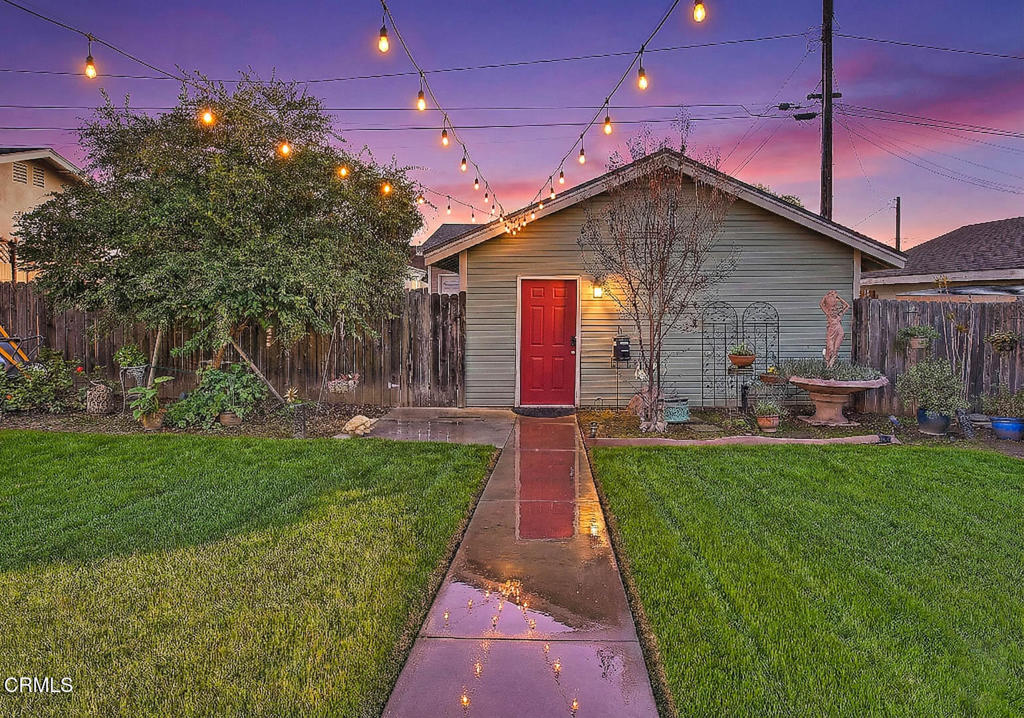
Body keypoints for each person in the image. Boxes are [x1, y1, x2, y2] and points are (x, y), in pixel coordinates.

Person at [820, 290, 849, 368]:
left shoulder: (839, 315)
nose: (834, 311)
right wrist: (826, 296)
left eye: (835, 310)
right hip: (831, 334)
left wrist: (838, 297)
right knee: (830, 348)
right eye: (832, 310)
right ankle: (827, 366)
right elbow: (821, 304)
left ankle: (831, 367)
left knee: (835, 349)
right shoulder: (828, 315)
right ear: (829, 310)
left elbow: (847, 306)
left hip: (839, 333)